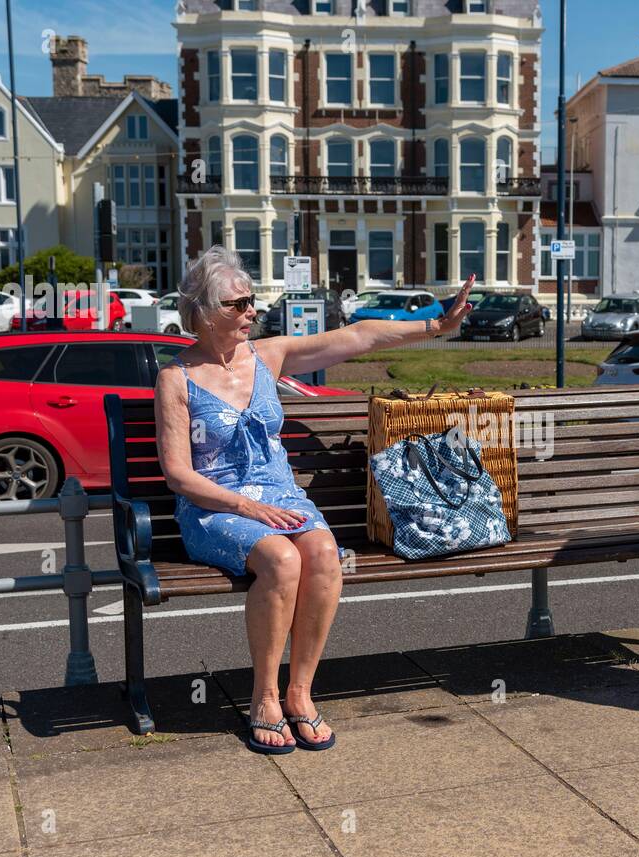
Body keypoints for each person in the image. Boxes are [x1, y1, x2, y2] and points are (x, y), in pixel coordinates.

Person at [155, 246, 475, 754]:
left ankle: (299, 694)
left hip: (281, 496)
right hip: (215, 507)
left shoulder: (268, 355)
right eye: (239, 305)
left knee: (324, 553)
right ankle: (264, 697)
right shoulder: (176, 379)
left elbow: (356, 336)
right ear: (204, 312)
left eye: (252, 301)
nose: (252, 312)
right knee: (281, 560)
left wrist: (435, 326)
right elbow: (177, 474)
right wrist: (247, 508)